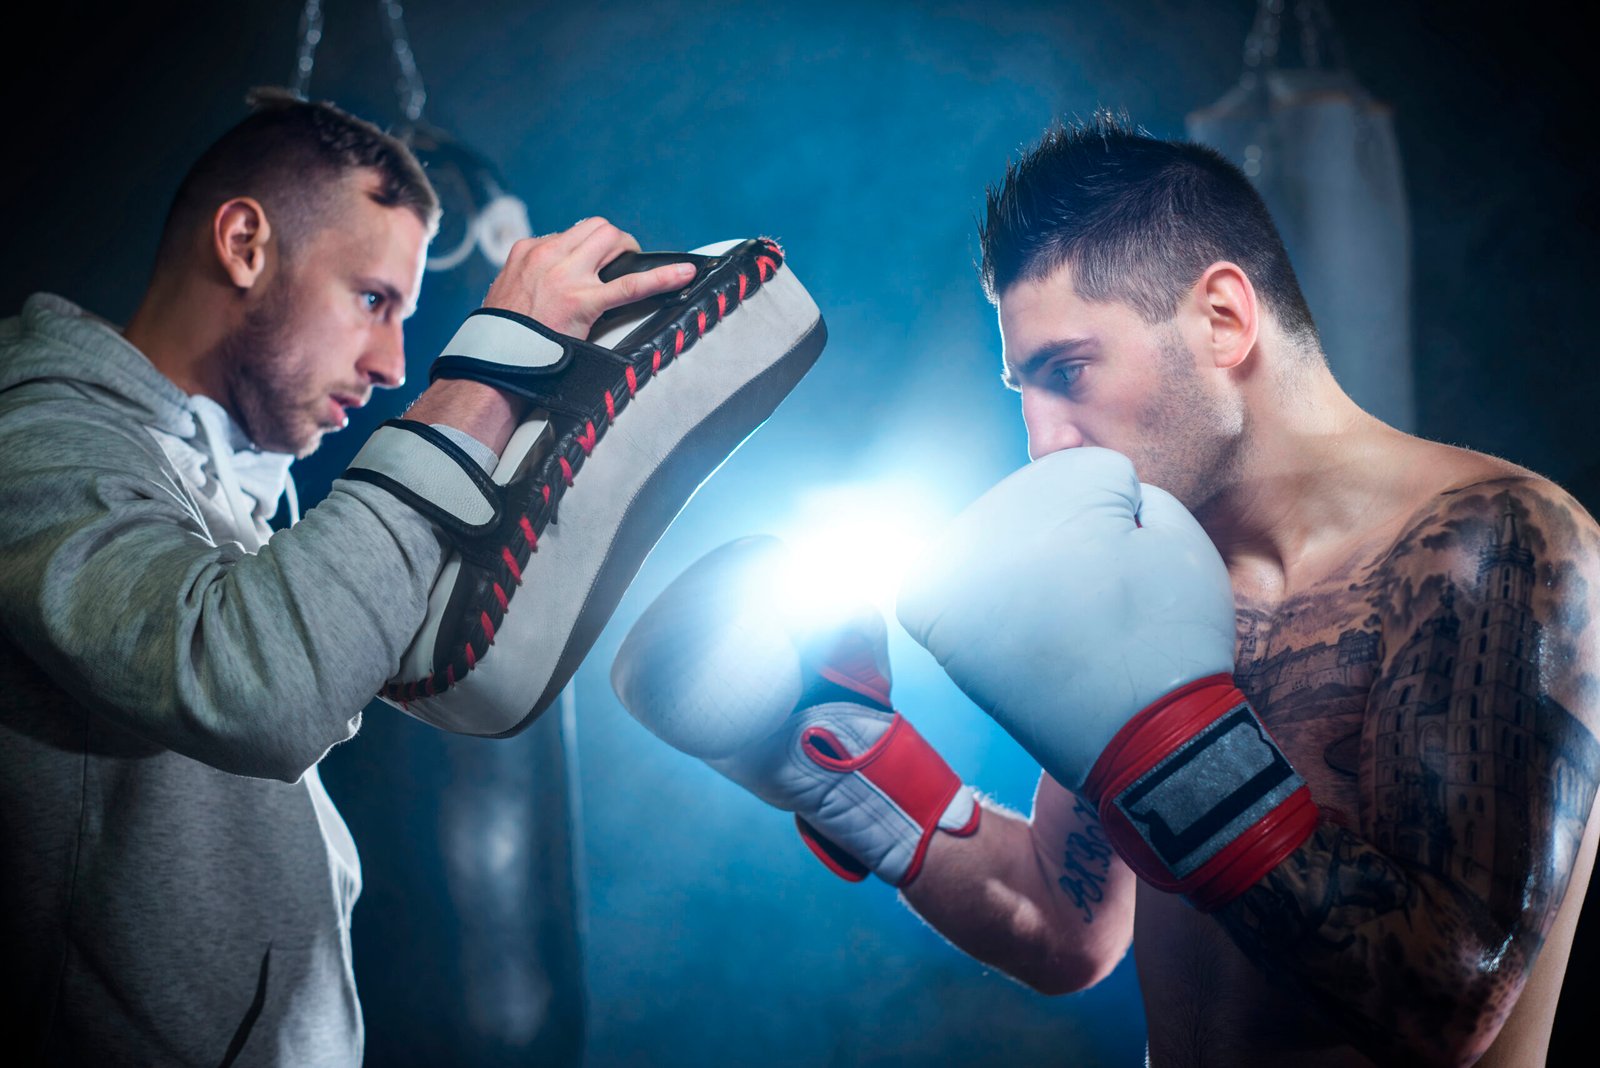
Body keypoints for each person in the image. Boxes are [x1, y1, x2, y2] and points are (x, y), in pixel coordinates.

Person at [611, 114, 1600, 1066]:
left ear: (1221, 318)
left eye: (1069, 369)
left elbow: (1445, 1010)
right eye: (1023, 390)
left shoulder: (1494, 544)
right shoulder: (1152, 569)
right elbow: (1060, 925)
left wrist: (1172, 755)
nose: (1043, 439)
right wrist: (840, 763)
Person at [0, 88, 714, 1065]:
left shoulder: (222, 498)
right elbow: (260, 686)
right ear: (245, 244)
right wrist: (488, 374)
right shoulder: (34, 445)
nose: (391, 365)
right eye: (373, 300)